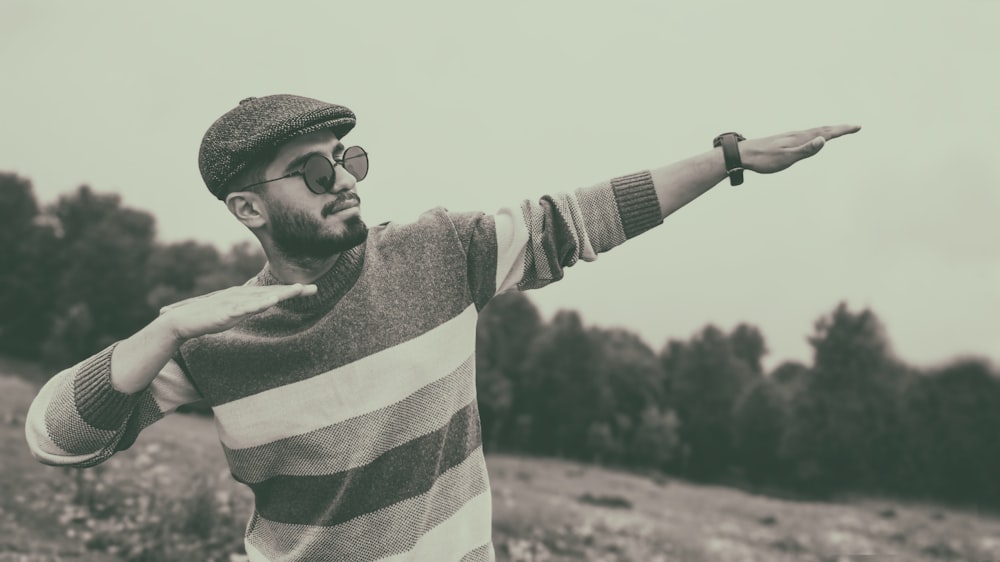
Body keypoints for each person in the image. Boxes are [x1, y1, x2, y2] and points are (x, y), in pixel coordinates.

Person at [25, 94, 860, 561]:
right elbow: (58, 441)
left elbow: (584, 216)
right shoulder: (217, 342)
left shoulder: (437, 255)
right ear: (249, 207)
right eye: (314, 171)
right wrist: (168, 329)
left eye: (347, 158)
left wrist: (730, 158)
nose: (343, 180)